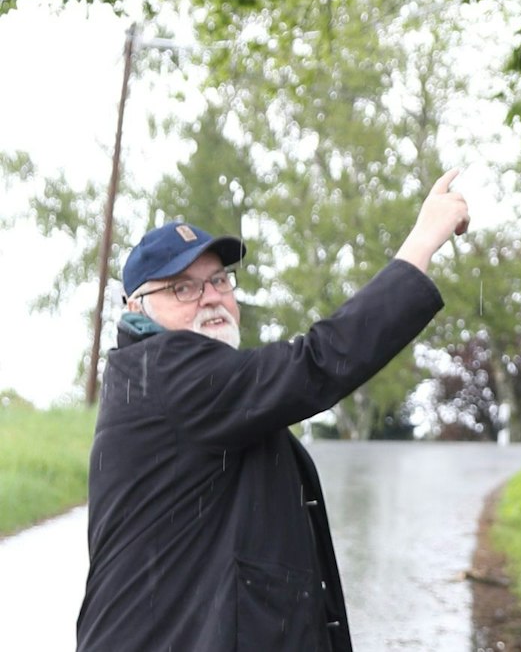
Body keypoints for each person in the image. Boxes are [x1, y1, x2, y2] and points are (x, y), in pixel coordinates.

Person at [75, 170, 471, 652]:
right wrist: (422, 242)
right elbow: (316, 364)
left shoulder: (174, 382)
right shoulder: (167, 370)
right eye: (183, 288)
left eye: (219, 279)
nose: (212, 297)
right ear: (135, 305)